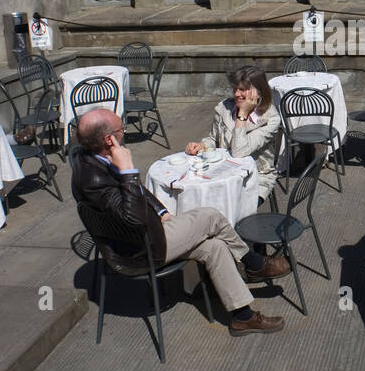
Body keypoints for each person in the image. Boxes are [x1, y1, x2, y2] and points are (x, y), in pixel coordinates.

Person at [71, 108, 288, 336]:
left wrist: (162, 210)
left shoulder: (87, 156)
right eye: (121, 129)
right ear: (109, 139)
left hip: (140, 238)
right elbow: (133, 218)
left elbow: (136, 196)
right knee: (211, 217)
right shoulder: (94, 179)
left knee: (214, 246)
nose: (124, 131)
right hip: (140, 251)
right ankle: (254, 264)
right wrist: (127, 171)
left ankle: (242, 317)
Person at [185, 66, 280, 205]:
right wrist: (202, 145)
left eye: (242, 89)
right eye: (235, 88)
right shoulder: (224, 108)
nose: (236, 94)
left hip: (254, 178)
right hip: (220, 173)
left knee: (226, 208)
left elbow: (239, 152)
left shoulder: (270, 119)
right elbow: (214, 138)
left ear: (259, 92)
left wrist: (242, 115)